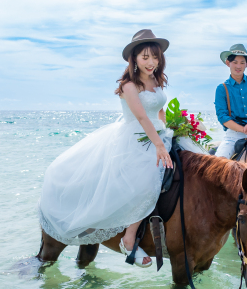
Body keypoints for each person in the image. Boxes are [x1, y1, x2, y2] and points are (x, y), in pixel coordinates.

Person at [38, 29, 174, 268]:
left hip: (159, 134)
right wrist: (159, 145)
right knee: (148, 177)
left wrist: (169, 130)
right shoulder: (129, 86)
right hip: (135, 139)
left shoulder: (157, 80)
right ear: (134, 59)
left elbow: (159, 110)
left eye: (155, 57)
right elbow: (142, 118)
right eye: (145, 57)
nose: (151, 62)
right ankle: (129, 239)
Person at [213, 44, 247, 159]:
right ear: (228, 63)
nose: (238, 66)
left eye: (242, 62)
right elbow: (222, 117)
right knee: (218, 163)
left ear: (246, 64)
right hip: (232, 135)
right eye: (235, 62)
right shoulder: (222, 88)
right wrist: (243, 129)